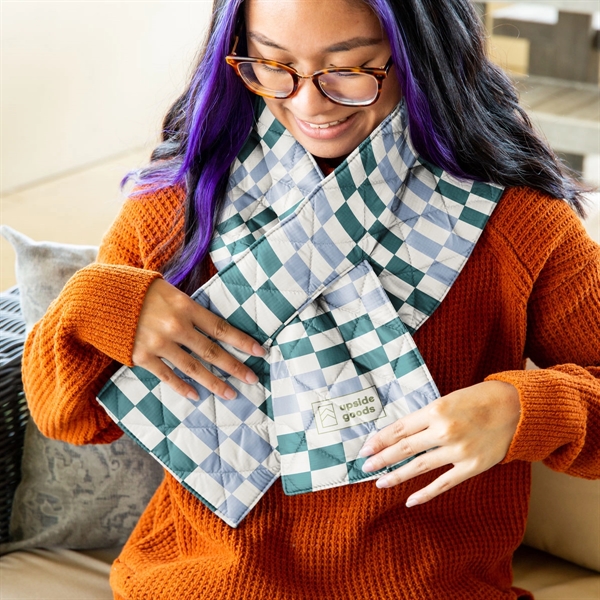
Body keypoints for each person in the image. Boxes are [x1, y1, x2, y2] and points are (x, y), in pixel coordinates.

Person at [22, 0, 599, 598]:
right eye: (274, 65)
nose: (308, 104)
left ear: (421, 54)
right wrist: (98, 303)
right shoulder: (182, 203)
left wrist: (521, 410)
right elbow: (66, 417)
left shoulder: (516, 221)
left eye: (349, 68)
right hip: (199, 586)